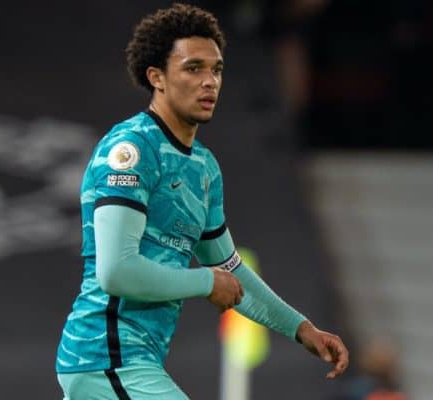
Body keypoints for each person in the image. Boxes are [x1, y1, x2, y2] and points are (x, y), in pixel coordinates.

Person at [55, 3, 349, 399]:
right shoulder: (131, 150)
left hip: (134, 360)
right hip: (104, 357)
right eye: (193, 68)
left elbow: (230, 270)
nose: (209, 81)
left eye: (216, 69)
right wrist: (205, 281)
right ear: (156, 77)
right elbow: (117, 272)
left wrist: (301, 328)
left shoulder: (204, 169)